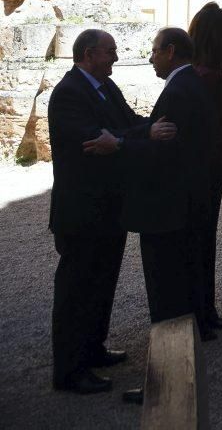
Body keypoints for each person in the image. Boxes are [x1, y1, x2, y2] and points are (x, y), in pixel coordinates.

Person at [48, 29, 174, 395]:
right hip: (82, 211)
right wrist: (133, 138)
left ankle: (93, 350)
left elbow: (125, 124)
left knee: (101, 284)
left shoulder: (105, 87)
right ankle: (70, 370)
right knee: (77, 291)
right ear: (89, 54)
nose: (116, 57)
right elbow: (94, 139)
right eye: (110, 52)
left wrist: (149, 128)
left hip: (107, 209)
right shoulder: (70, 92)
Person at [117, 29, 214, 355]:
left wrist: (120, 145)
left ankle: (170, 365)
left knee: (168, 290)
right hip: (185, 204)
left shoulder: (179, 90)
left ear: (171, 51)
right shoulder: (191, 83)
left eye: (155, 50)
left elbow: (165, 152)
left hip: (168, 210)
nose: (151, 57)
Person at [188, 1, 222, 330]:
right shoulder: (204, 76)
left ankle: (205, 308)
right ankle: (199, 312)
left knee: (205, 237)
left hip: (213, 162)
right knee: (199, 238)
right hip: (204, 165)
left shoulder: (212, 71)